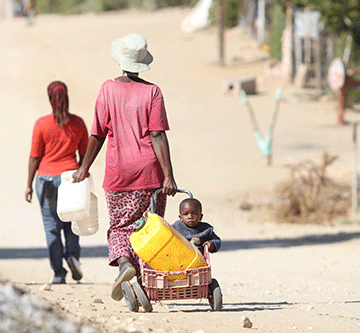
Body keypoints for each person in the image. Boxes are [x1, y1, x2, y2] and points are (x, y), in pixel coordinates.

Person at [72, 33, 177, 302]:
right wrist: (168, 175)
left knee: (120, 227)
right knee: (149, 229)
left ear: (120, 60)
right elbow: (157, 135)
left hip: (119, 174)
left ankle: (123, 264)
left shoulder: (107, 89)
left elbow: (97, 134)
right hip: (150, 175)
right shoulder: (153, 92)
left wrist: (84, 168)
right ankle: (144, 284)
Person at [25, 81, 89, 284]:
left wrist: (28, 184)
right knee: (71, 224)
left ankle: (58, 273)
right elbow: (85, 155)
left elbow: (35, 157)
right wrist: (80, 174)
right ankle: (72, 257)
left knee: (51, 226)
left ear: (50, 99)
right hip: (70, 179)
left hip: (46, 180)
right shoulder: (78, 123)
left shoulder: (42, 124)